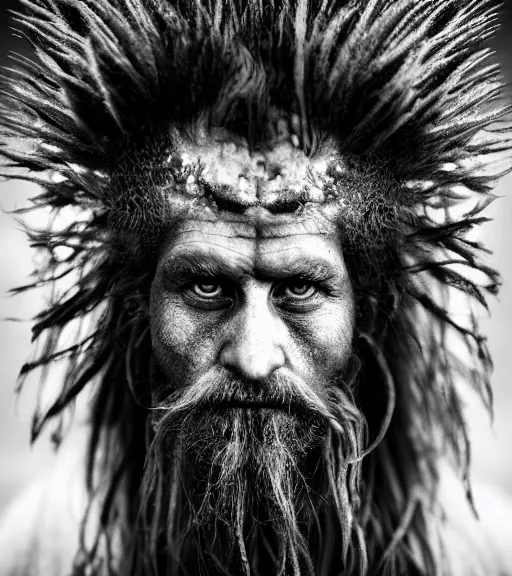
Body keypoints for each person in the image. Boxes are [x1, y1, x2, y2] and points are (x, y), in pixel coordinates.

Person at [0, 0, 511, 574]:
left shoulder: (480, 556)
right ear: (136, 302)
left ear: (367, 309)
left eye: (298, 288)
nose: (253, 356)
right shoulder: (41, 553)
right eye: (206, 287)